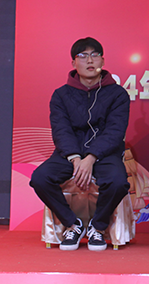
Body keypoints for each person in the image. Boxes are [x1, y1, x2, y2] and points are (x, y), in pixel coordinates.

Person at [30, 37, 130, 251]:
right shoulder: (61, 95)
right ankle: (72, 224)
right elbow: (61, 130)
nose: (90, 60)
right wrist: (76, 158)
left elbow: (115, 132)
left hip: (104, 154)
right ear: (74, 63)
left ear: (103, 60)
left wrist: (91, 158)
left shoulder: (118, 94)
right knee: (40, 178)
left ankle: (98, 226)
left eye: (95, 55)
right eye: (83, 56)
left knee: (118, 182)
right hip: (68, 154)